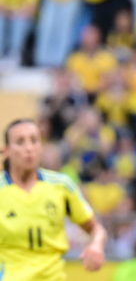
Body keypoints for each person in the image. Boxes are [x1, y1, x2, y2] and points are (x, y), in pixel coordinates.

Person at [0, 118, 107, 281]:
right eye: (20, 142)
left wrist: (96, 245)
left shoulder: (61, 185)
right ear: (6, 151)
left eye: (34, 140)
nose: (29, 148)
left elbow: (95, 228)